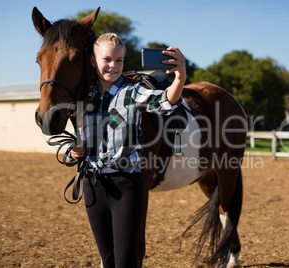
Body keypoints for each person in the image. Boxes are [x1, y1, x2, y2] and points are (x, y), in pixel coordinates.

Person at [70, 32, 186, 268]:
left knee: (125, 263)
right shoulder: (85, 98)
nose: (114, 66)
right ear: (93, 61)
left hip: (126, 185)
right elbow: (78, 137)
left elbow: (166, 101)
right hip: (92, 185)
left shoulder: (132, 92)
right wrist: (75, 149)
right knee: (108, 261)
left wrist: (180, 77)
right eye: (107, 60)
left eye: (119, 60)